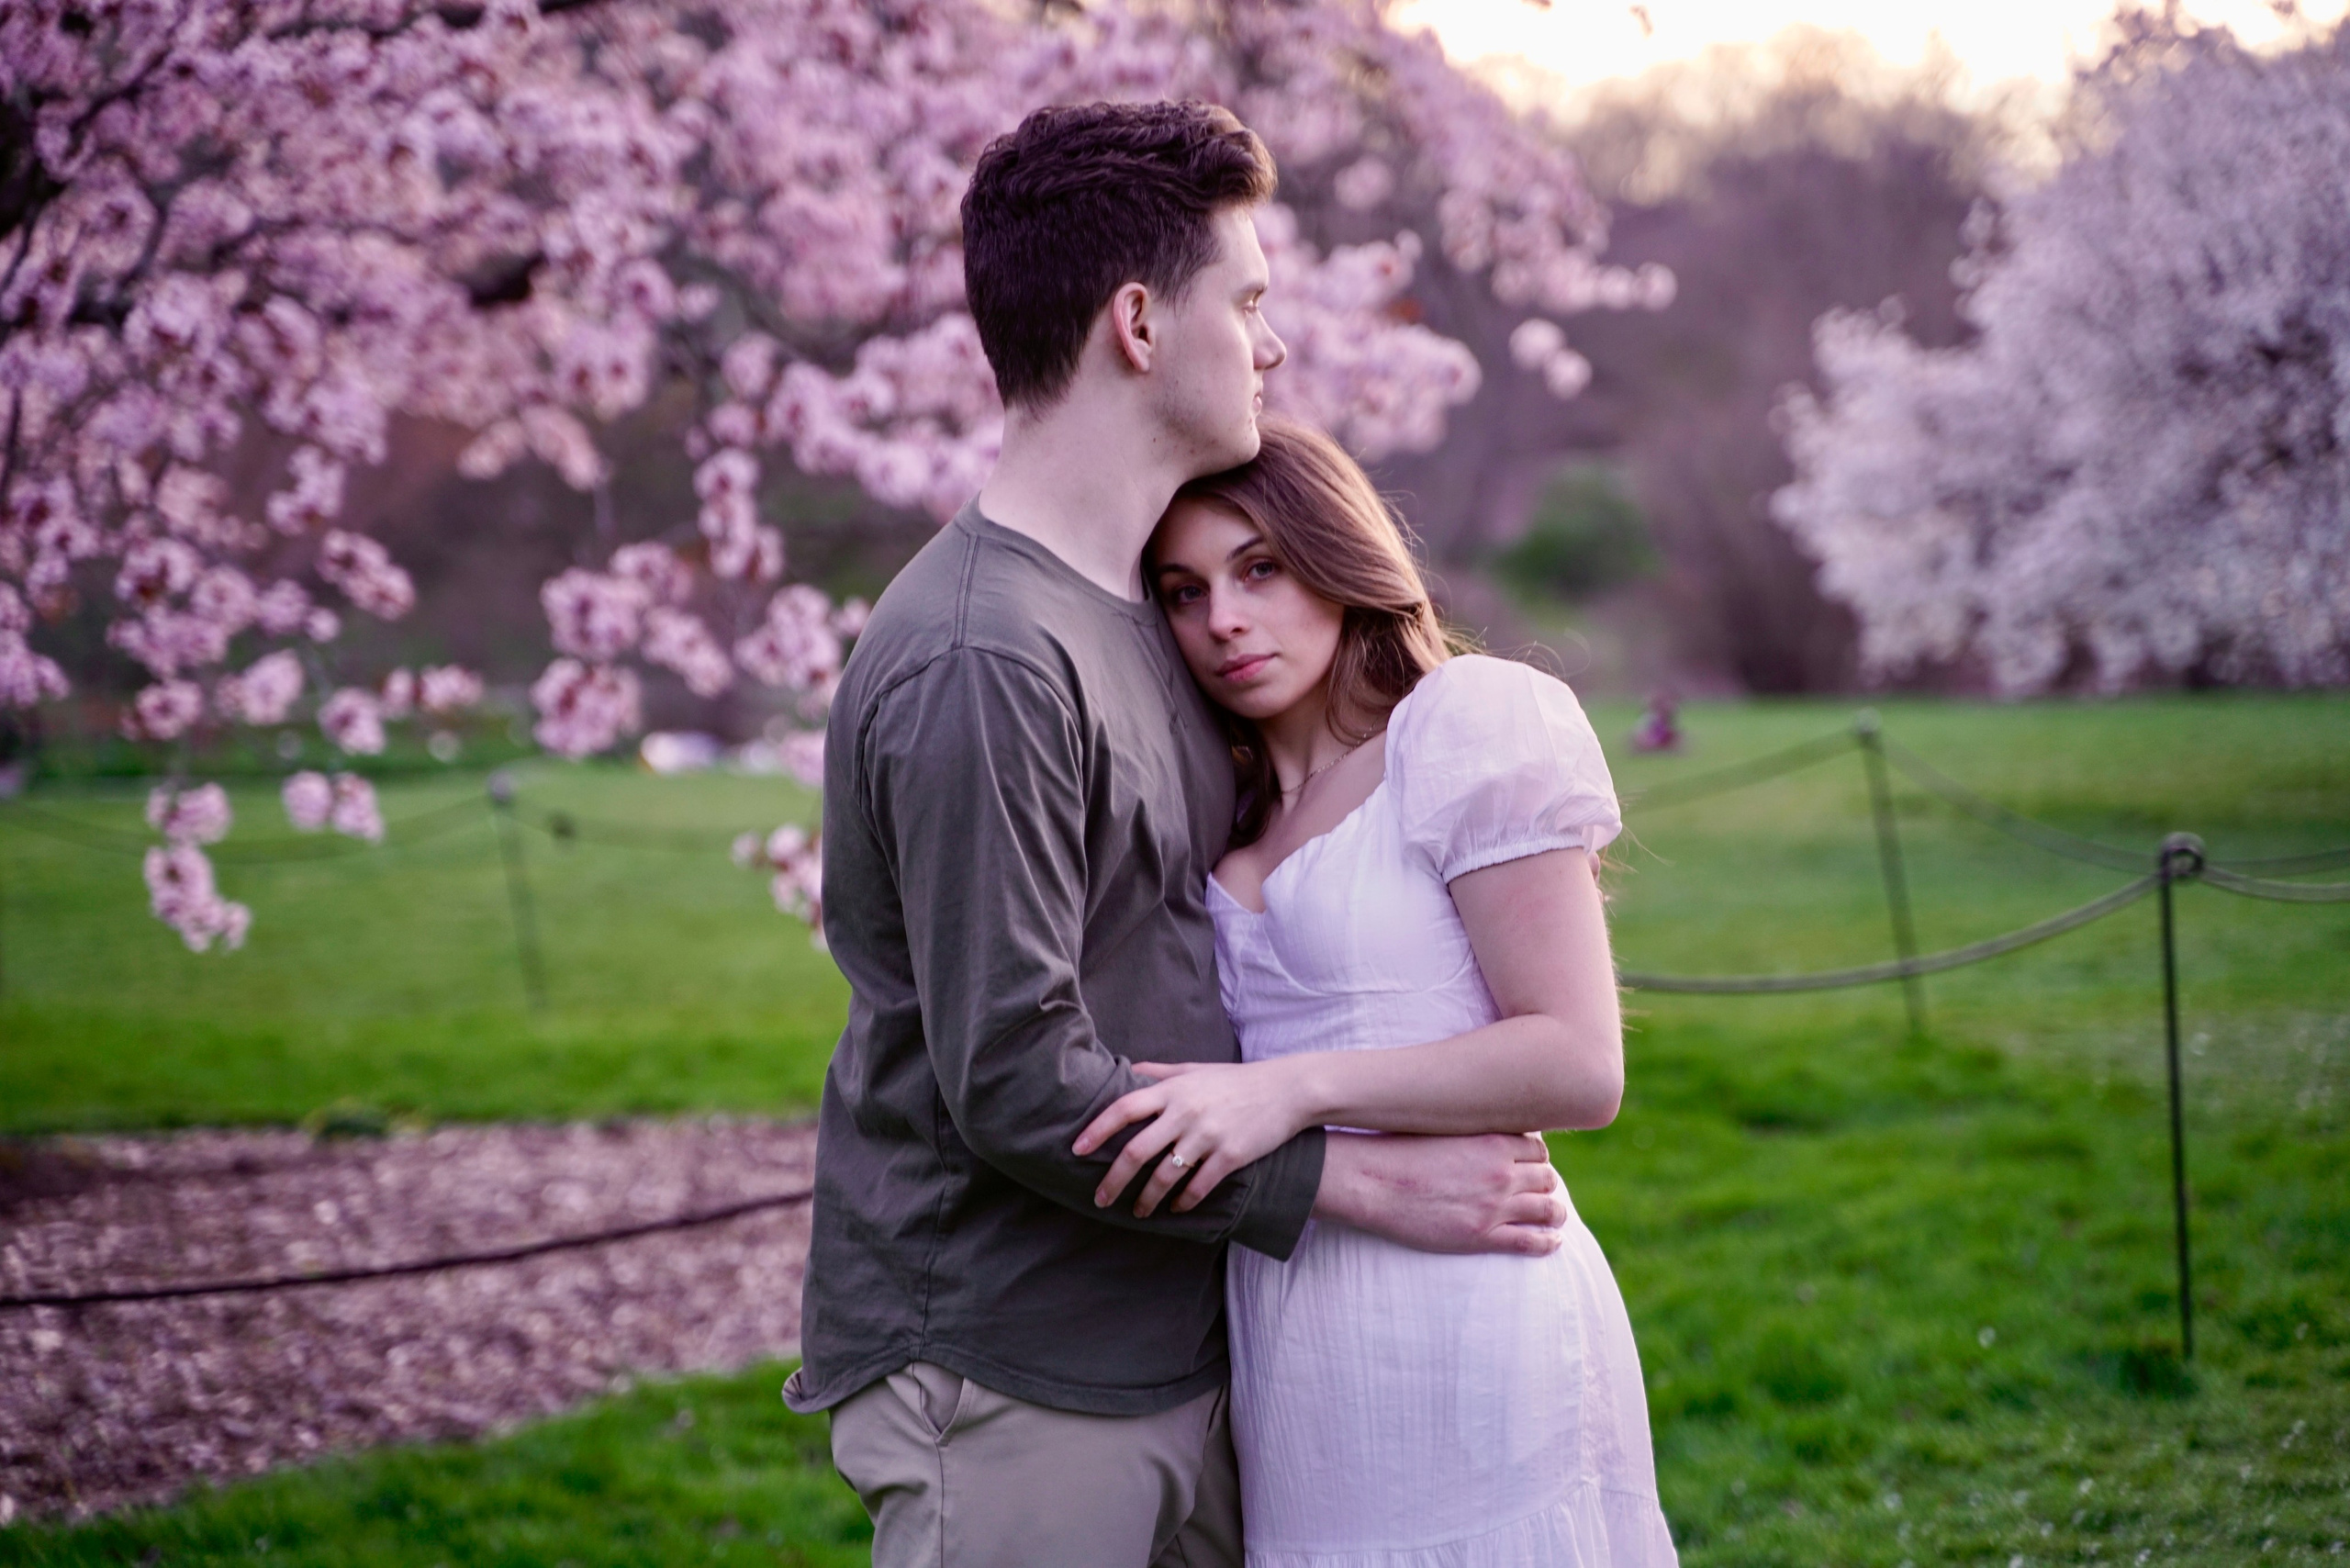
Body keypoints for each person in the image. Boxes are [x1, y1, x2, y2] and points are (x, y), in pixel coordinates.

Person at [783, 101, 1575, 1568]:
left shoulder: (1136, 615)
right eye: (1250, 301)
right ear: (1141, 322)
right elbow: (1015, 1073)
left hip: (1183, 1332)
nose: (1271, 345)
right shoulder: (986, 654)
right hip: (1014, 1365)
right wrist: (1359, 1181)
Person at [1076, 416, 1681, 1566]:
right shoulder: (1222, 806)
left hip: (1469, 1303)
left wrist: (1291, 1090)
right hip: (1288, 1329)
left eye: (1258, 567)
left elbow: (1576, 1061)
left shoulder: (1461, 726)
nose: (1223, 621)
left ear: (1336, 553)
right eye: (1182, 591)